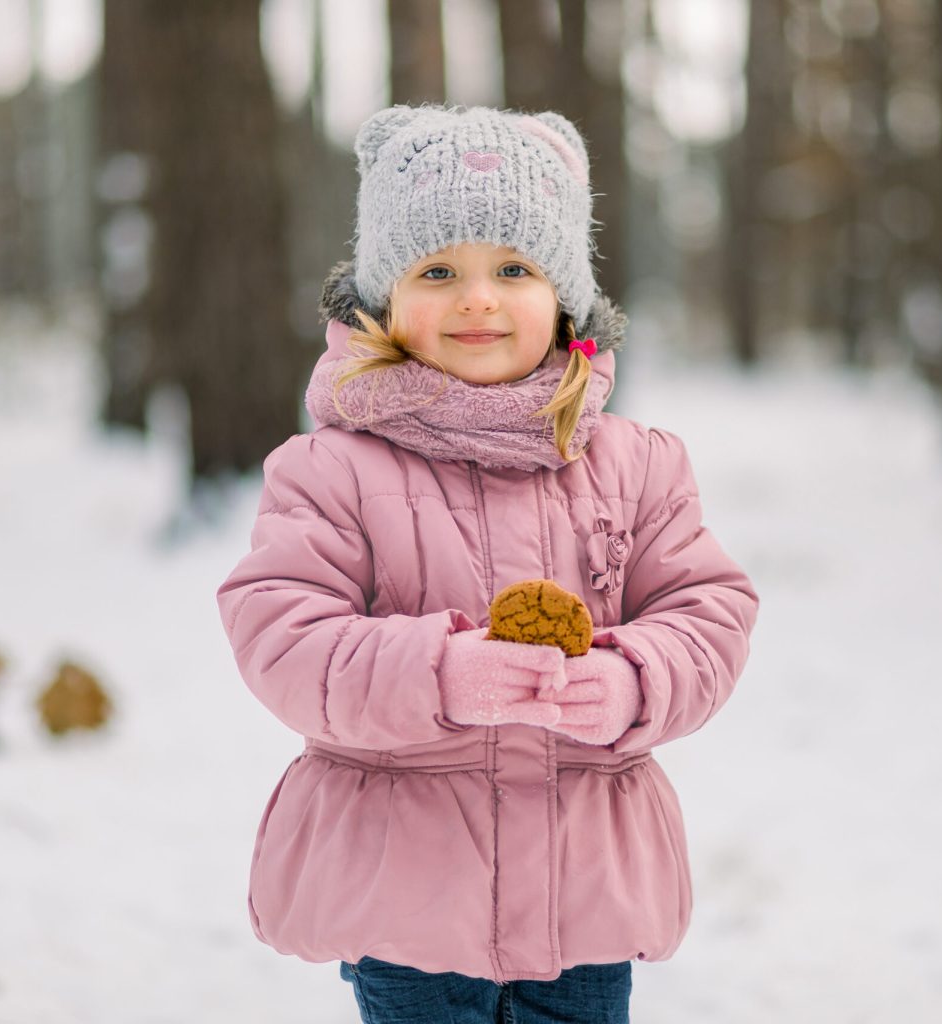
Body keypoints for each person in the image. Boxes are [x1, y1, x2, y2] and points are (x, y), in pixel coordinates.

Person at [216, 103, 759, 1024]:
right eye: (438, 270)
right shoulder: (331, 469)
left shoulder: (639, 464)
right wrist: (438, 673)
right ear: (386, 300)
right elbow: (282, 632)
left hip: (584, 903)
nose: (478, 298)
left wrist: (635, 678)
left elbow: (707, 611)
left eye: (514, 268)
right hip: (404, 903)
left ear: (567, 299)